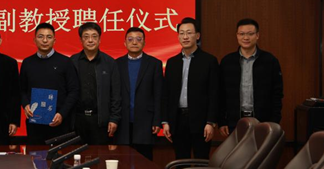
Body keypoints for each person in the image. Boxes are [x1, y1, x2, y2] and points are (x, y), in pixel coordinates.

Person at [162, 18, 219, 160]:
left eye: (189, 33)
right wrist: (165, 121)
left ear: (197, 36)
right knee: (181, 162)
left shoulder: (209, 61)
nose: (185, 37)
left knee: (201, 161)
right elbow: (166, 94)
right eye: (181, 33)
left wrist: (210, 122)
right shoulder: (172, 62)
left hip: (201, 121)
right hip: (177, 120)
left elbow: (214, 93)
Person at [219, 18, 283, 136]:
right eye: (241, 34)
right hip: (234, 121)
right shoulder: (227, 62)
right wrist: (222, 121)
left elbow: (277, 93)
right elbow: (221, 93)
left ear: (257, 35)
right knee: (237, 148)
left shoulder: (270, 61)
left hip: (263, 121)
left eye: (250, 34)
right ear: (237, 36)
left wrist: (274, 120)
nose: (246, 38)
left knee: (261, 148)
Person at [20, 23, 80, 145]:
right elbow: (21, 89)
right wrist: (25, 104)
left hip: (59, 122)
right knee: (35, 155)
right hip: (35, 123)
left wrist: (62, 114)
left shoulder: (65, 62)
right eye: (40, 36)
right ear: (34, 40)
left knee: (59, 155)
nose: (45, 40)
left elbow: (74, 91)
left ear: (54, 40)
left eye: (49, 37)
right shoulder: (27, 62)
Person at [69, 22, 121, 146]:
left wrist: (114, 118)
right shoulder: (72, 61)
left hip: (100, 120)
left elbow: (116, 94)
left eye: (94, 36)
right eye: (86, 37)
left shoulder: (109, 63)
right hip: (77, 119)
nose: (90, 40)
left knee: (100, 155)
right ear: (81, 40)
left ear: (99, 39)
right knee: (76, 154)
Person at [115, 27, 163, 160]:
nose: (134, 42)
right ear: (125, 43)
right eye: (130, 39)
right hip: (122, 122)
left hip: (146, 122)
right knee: (123, 161)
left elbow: (158, 94)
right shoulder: (117, 64)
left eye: (138, 39)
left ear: (144, 43)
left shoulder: (154, 64)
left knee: (144, 161)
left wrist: (157, 120)